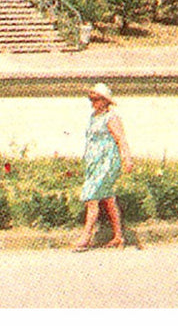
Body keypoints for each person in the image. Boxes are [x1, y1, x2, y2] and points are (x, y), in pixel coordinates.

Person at [75, 82, 133, 251]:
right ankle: (118, 236)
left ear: (105, 101)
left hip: (107, 162)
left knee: (91, 197)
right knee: (108, 198)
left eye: (96, 99)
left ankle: (85, 237)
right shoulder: (94, 116)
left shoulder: (111, 117)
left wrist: (127, 158)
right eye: (91, 99)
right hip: (94, 162)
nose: (93, 102)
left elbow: (121, 139)